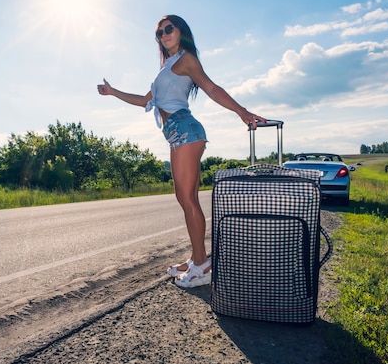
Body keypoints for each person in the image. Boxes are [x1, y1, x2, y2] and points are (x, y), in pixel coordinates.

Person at [97, 15, 266, 288]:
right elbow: (144, 100)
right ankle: (196, 257)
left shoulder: (187, 59)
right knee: (185, 198)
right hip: (177, 133)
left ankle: (202, 266)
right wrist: (112, 91)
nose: (163, 35)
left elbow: (211, 87)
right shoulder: (167, 66)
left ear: (180, 31)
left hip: (185, 130)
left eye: (168, 29)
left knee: (187, 199)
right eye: (159, 33)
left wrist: (241, 111)